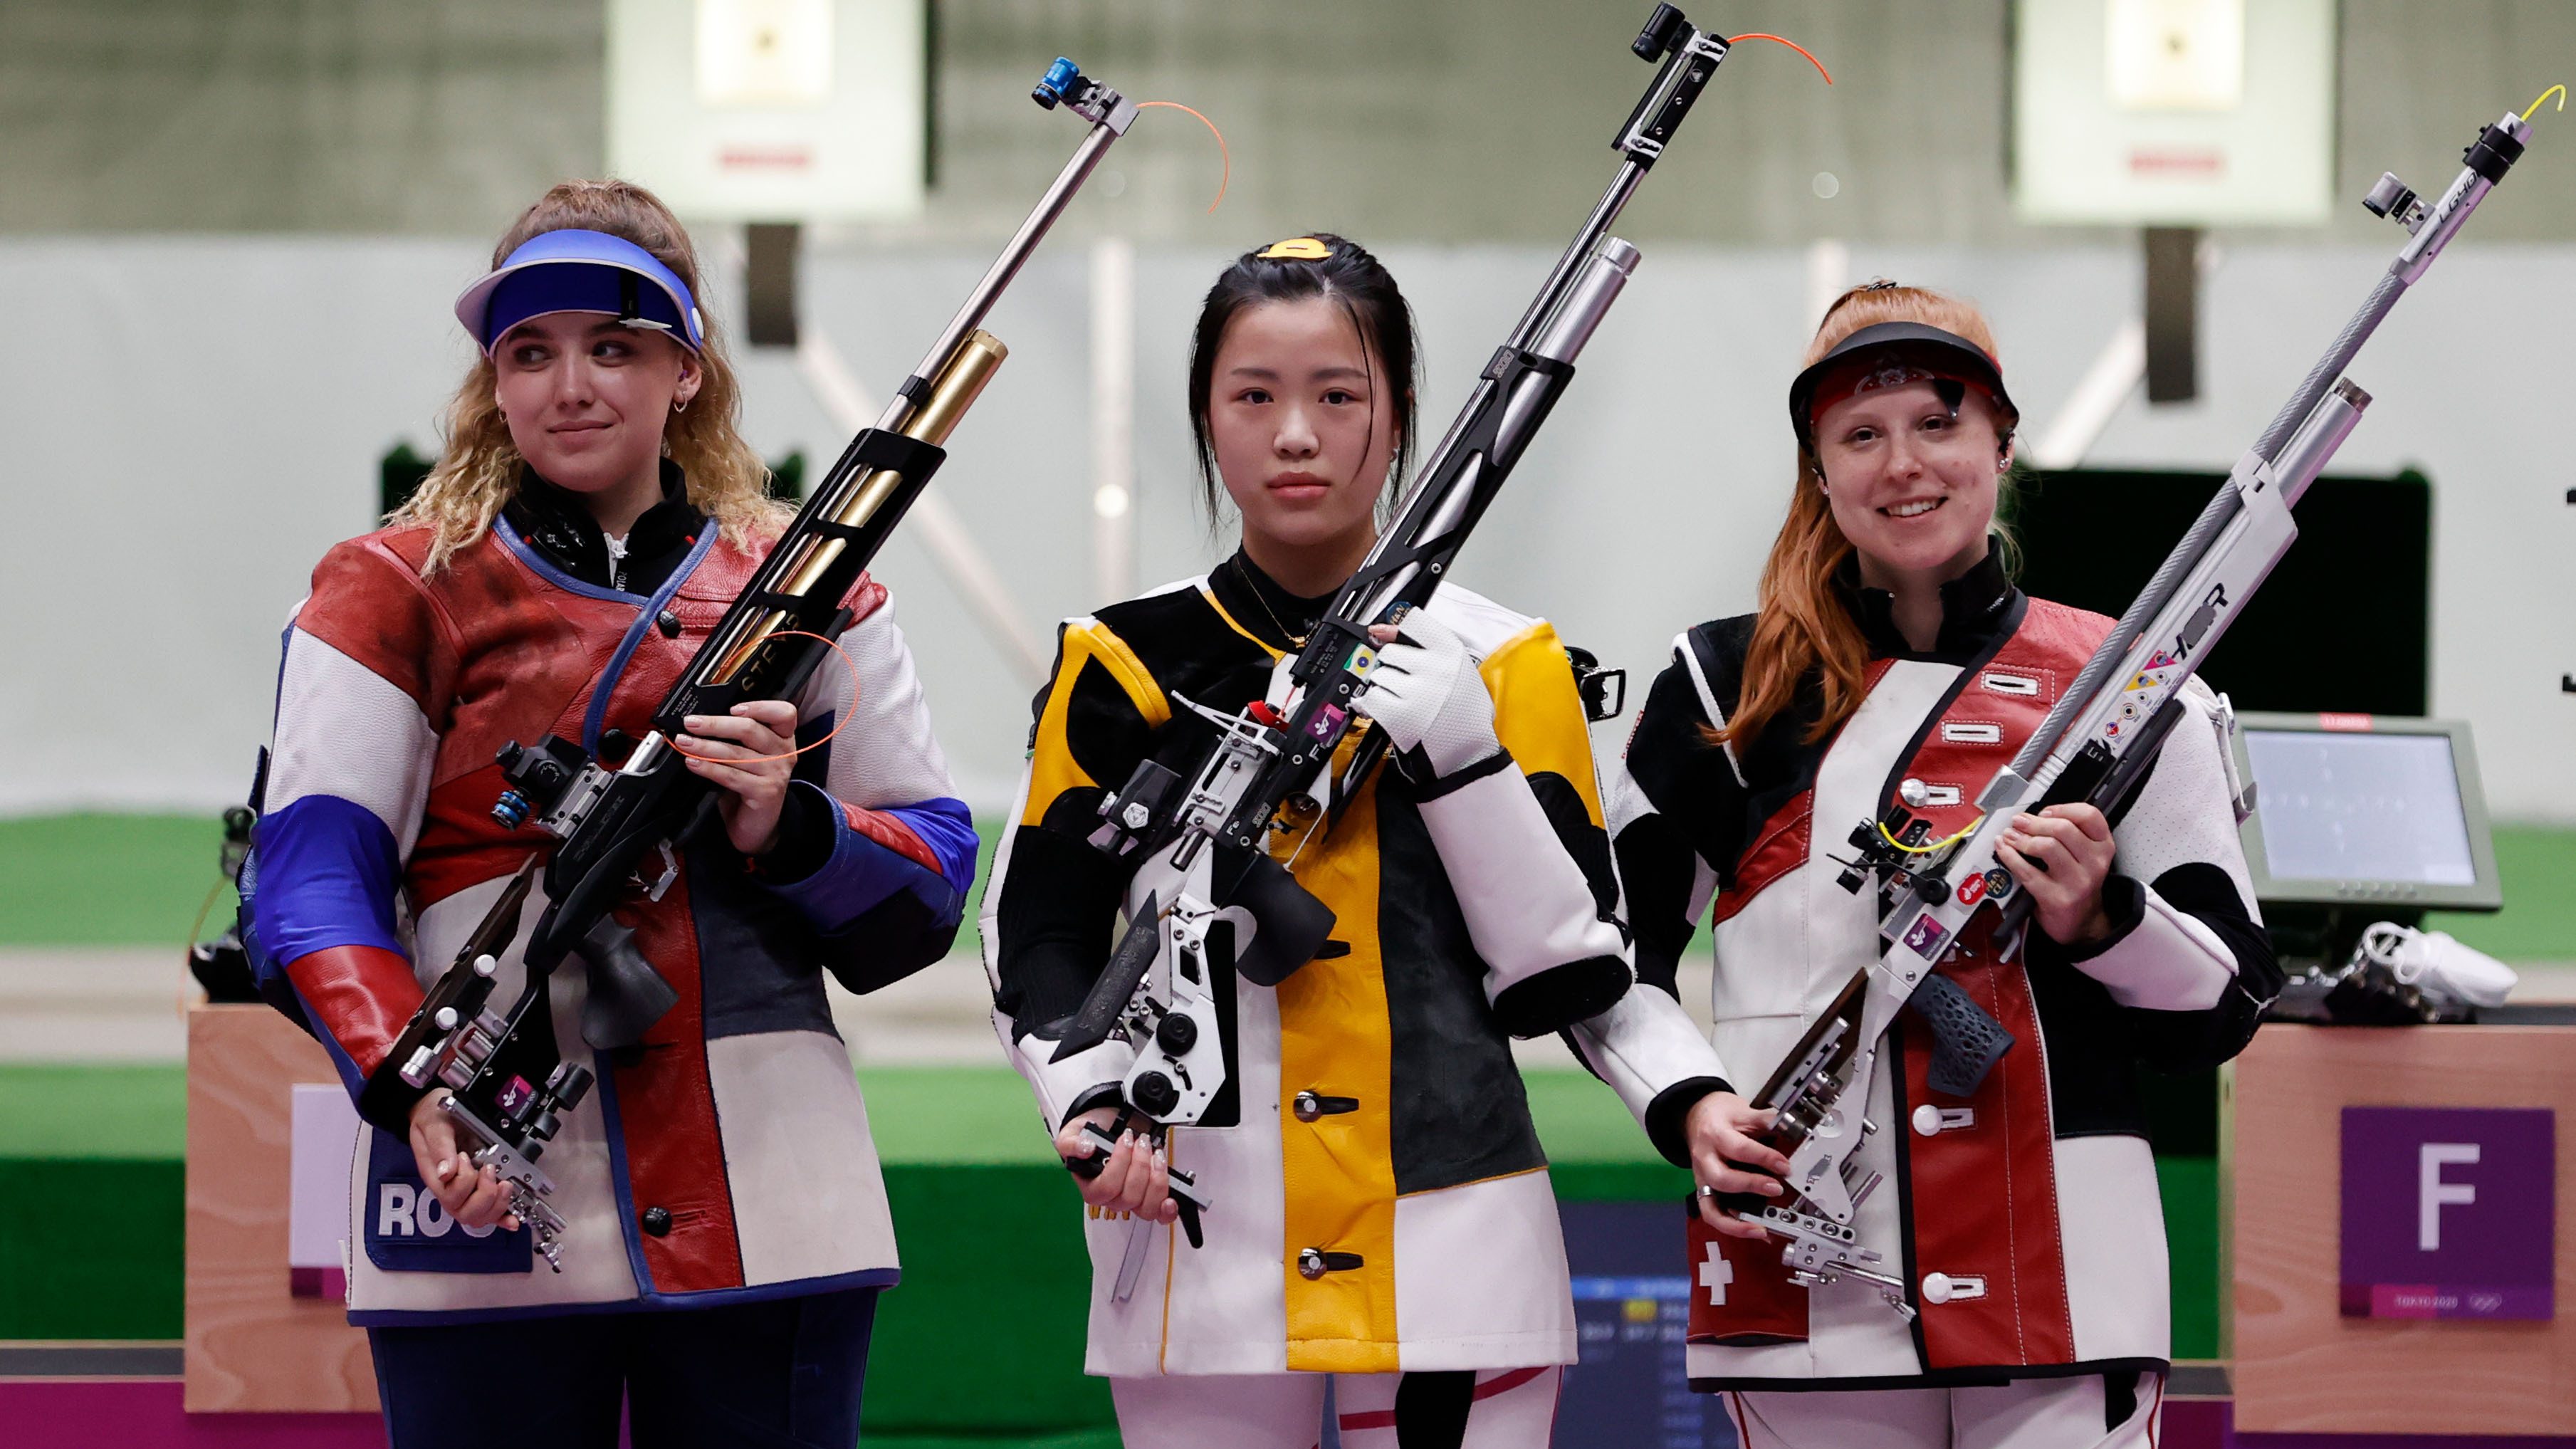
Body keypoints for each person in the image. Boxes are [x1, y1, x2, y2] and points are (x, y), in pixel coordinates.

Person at [981, 233, 1744, 1449]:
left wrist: (1462, 751)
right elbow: (1038, 928)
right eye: (1254, 396)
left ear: (1398, 421)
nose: (1296, 434)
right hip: (1191, 1228)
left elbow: (1569, 967)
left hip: (1454, 1240)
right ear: (1205, 420)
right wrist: (1085, 1098)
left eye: (1338, 395)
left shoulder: (1503, 661)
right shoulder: (1119, 659)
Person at [248, 178, 977, 1448]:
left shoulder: (813, 594)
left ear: (686, 371)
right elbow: (311, 873)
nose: (568, 385)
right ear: (492, 377)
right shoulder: (385, 588)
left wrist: (784, 823)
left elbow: (926, 890)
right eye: (528, 351)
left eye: (614, 347)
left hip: (769, 1179)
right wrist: (413, 1086)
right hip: (473, 1158)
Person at [1606, 281, 2281, 1448]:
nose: (1901, 463)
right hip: (1804, 1256)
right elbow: (1610, 955)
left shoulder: (2127, 684)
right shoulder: (1722, 685)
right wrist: (1690, 1105)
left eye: (1936, 422)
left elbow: (2223, 1001)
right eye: (1859, 436)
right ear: (1817, 471)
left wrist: (2101, 918)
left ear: (2001, 445)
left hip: (2066, 1276)